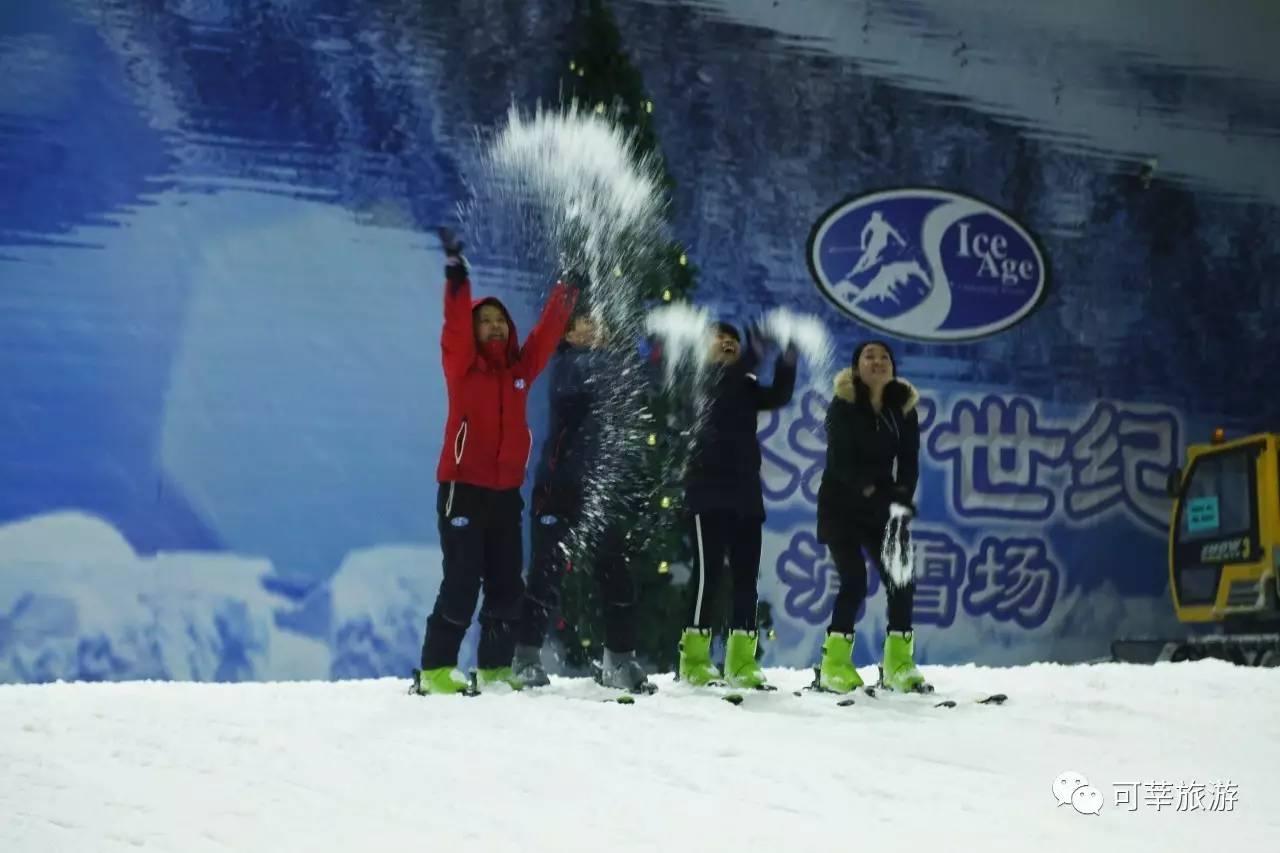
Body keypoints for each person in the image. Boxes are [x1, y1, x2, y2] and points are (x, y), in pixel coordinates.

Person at [412, 229, 577, 695]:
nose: (495, 326)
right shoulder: (462, 367)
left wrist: (568, 287)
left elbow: (546, 335)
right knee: (462, 584)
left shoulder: (519, 373)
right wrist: (457, 273)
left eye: (500, 320)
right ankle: (436, 671)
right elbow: (454, 326)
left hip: (505, 496)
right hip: (462, 489)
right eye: (485, 321)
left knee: (507, 588)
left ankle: (494, 669)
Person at [511, 309, 653, 693]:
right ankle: (524, 659)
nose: (596, 328)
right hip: (557, 489)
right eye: (586, 322)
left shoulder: (612, 369)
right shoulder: (566, 365)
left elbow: (640, 385)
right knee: (545, 574)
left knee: (616, 575)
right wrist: (630, 357)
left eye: (601, 322)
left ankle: (618, 662)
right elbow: (590, 378)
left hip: (598, 490)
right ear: (569, 334)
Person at [678, 321, 796, 688]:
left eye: (733, 341)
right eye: (720, 340)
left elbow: (777, 396)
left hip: (746, 496)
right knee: (707, 577)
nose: (728, 345)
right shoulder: (696, 377)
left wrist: (787, 360)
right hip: (708, 493)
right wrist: (755, 353)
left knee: (745, 580)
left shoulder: (745, 383)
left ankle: (741, 661)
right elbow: (720, 391)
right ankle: (694, 660)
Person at [815, 339, 925, 694]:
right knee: (854, 581)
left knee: (902, 579)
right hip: (841, 505)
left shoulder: (903, 410)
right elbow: (840, 464)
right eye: (869, 356)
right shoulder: (842, 405)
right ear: (856, 366)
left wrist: (902, 496)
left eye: (885, 357)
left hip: (883, 508)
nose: (878, 362)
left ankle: (898, 664)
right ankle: (834, 664)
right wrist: (874, 492)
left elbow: (909, 462)